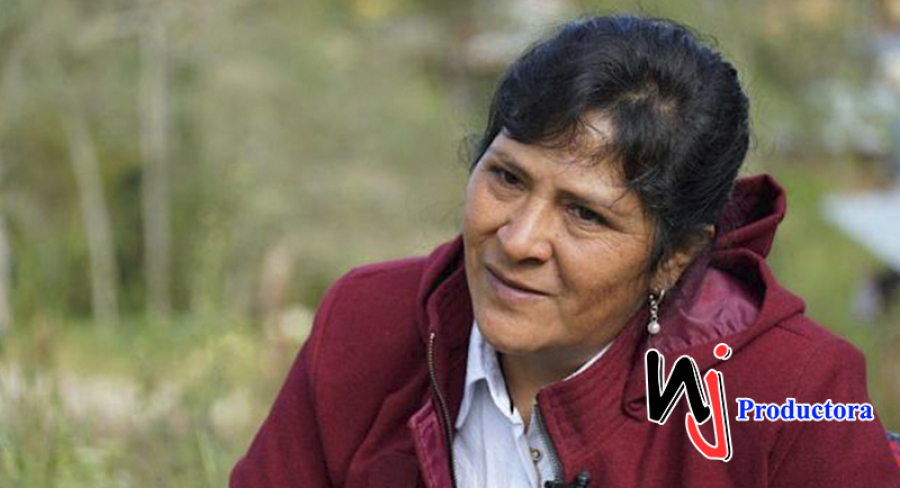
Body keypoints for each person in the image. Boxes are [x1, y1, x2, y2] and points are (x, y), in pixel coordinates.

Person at [230, 15, 900, 488]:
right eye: (507, 178)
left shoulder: (793, 393)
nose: (518, 240)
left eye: (585, 213)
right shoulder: (366, 323)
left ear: (675, 257)